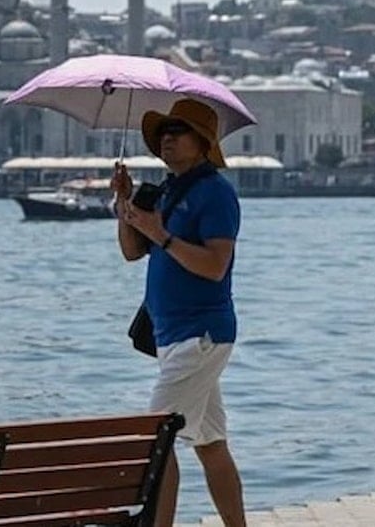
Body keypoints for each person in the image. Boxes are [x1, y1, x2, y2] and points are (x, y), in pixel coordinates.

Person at [110, 98, 246, 527]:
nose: (167, 138)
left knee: (156, 440)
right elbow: (133, 251)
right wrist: (125, 205)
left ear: (202, 142)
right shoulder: (167, 190)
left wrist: (160, 233)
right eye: (163, 131)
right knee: (209, 442)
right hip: (173, 336)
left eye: (178, 131)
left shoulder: (216, 193)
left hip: (201, 335)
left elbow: (215, 265)